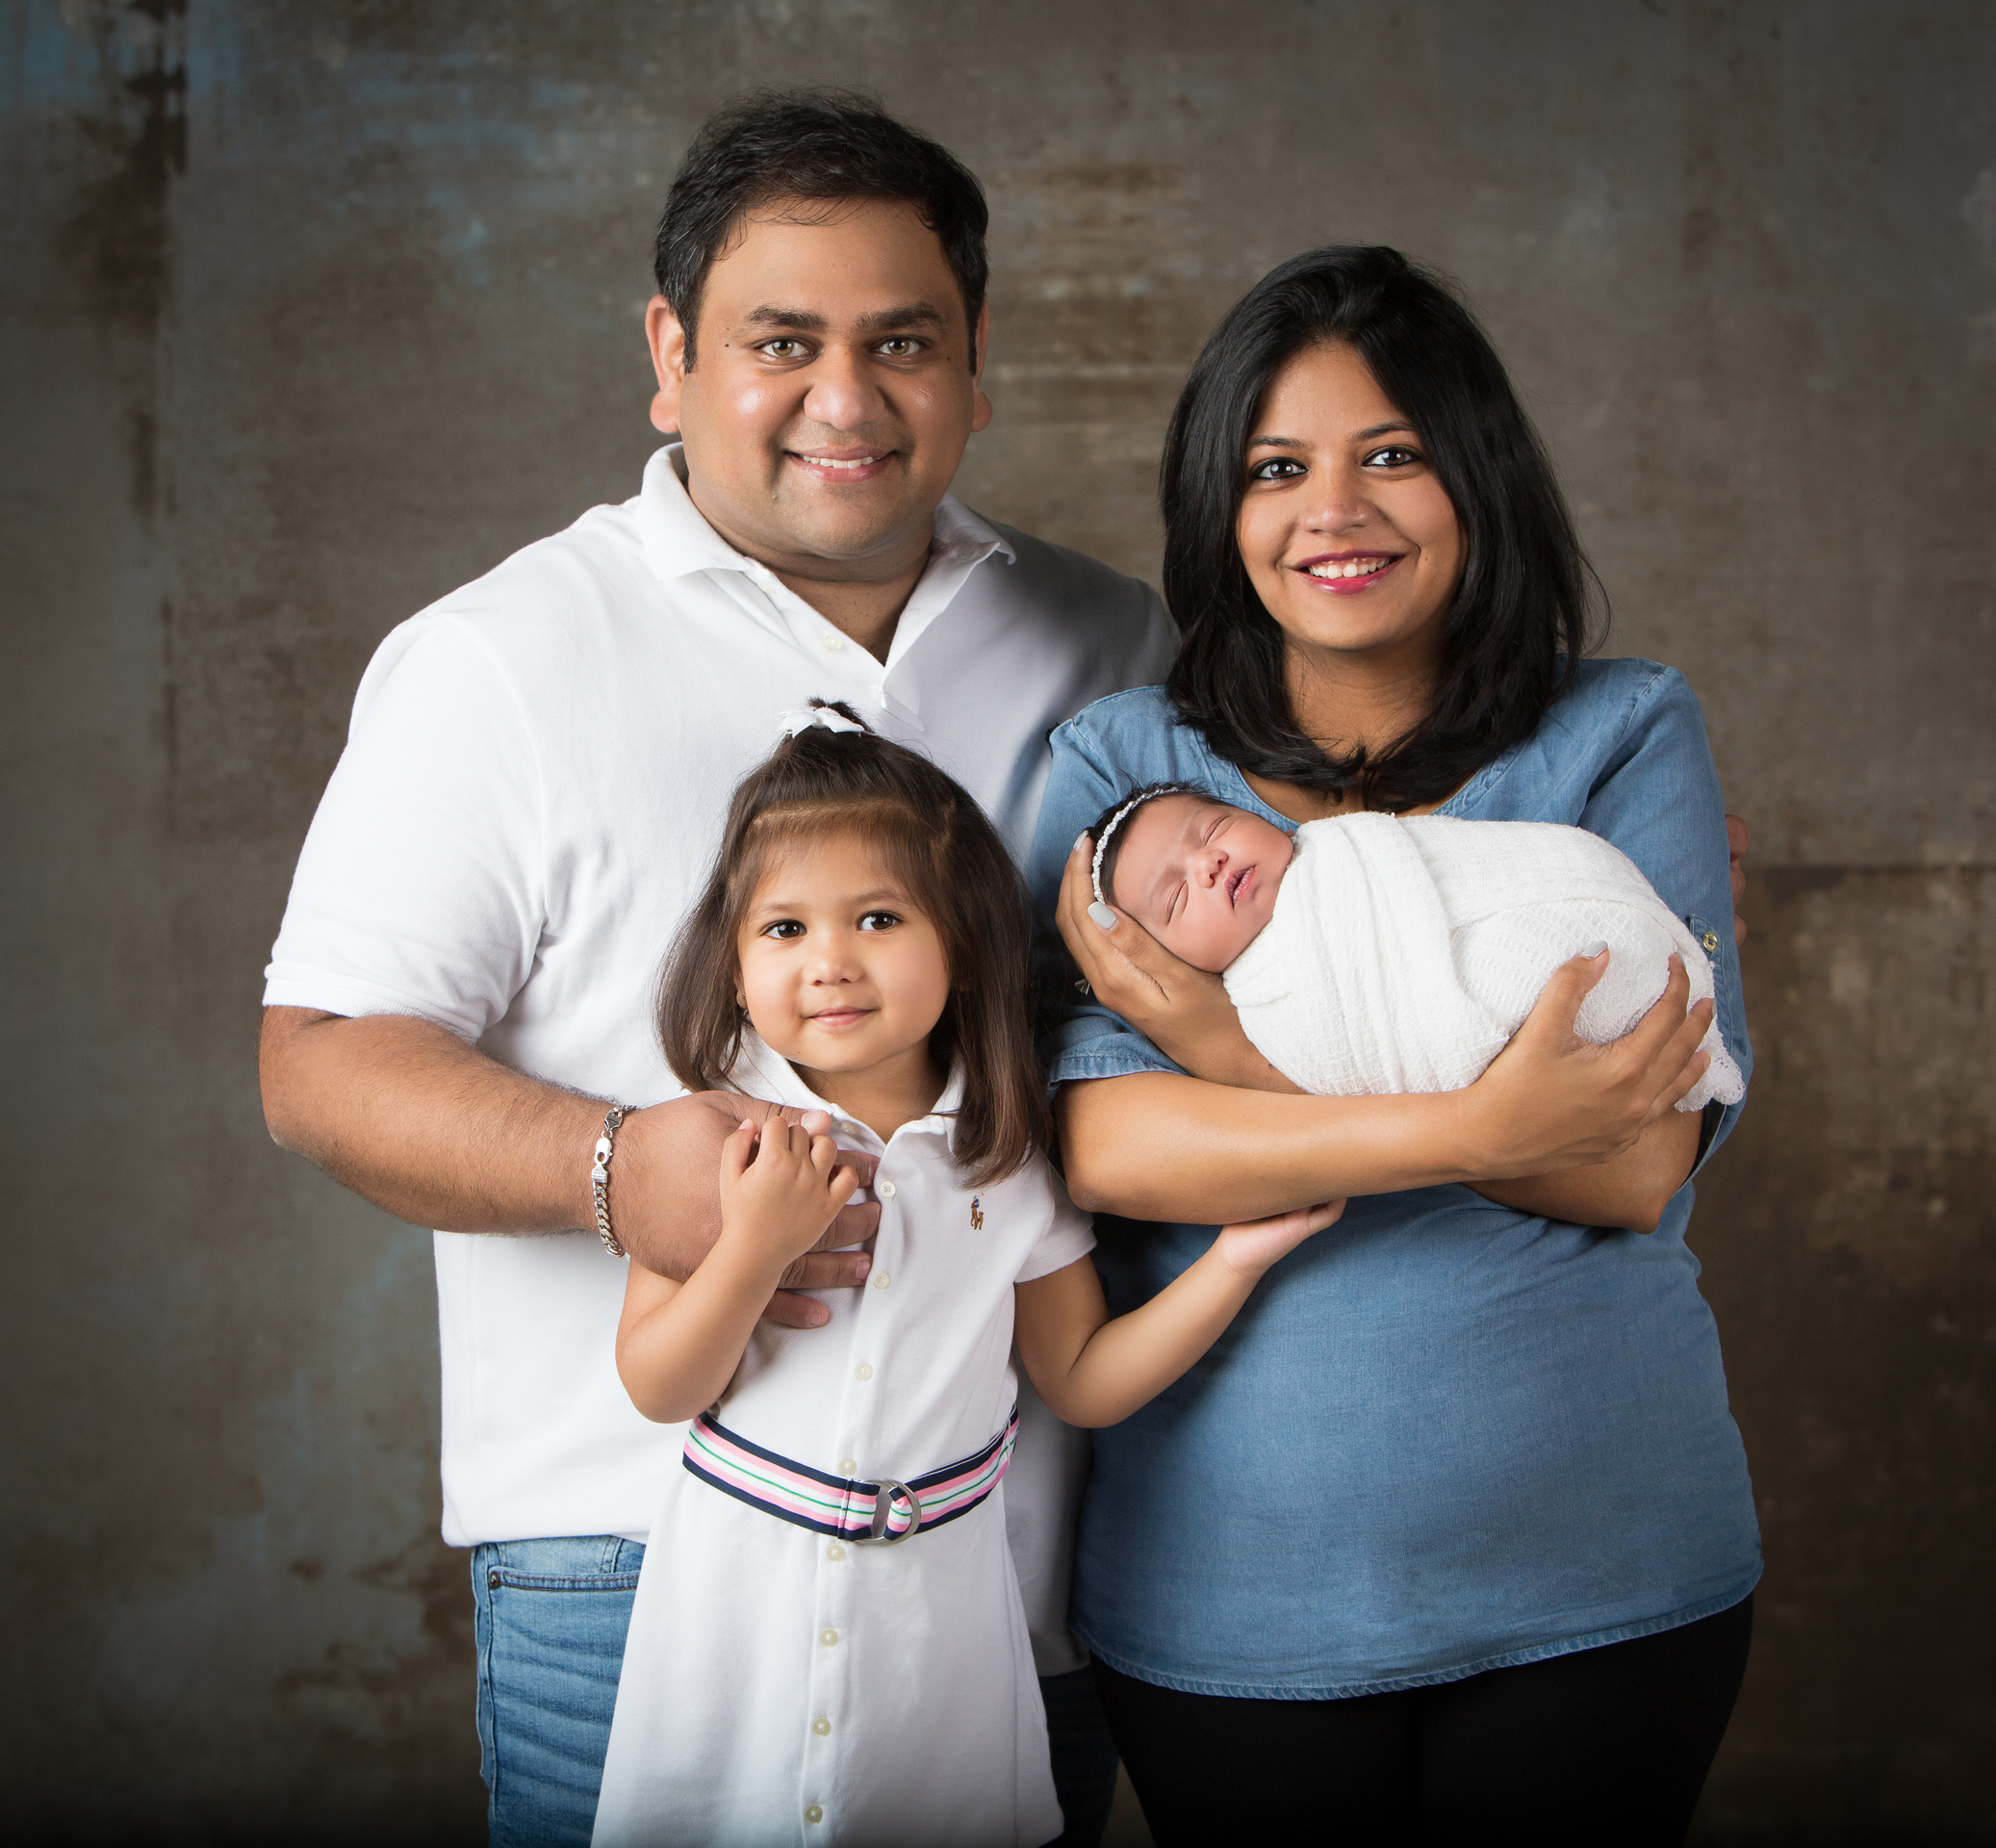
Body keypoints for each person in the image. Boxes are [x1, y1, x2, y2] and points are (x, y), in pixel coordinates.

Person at [258, 90, 1172, 1846]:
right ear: (669, 357)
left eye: (902, 341)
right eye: (782, 342)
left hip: (1010, 1574)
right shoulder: (498, 658)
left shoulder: (1109, 638)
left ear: (977, 365)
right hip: (634, 1558)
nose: (847, 397)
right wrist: (619, 1171)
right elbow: (319, 1059)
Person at [1030, 245, 1761, 1842]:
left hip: (1607, 1569)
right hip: (1230, 1594)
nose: (1332, 511)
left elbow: (1637, 1161)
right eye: (1277, 468)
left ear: (1478, 476)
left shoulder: (1618, 734)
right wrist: (1493, 1128)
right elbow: (1101, 1148)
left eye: (1392, 456)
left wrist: (1216, 1044)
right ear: (1221, 511)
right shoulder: (1125, 773)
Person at [586, 706, 1341, 1847]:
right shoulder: (713, 1143)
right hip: (737, 1615)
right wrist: (752, 1244)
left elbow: (1080, 1378)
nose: (829, 961)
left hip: (939, 1624)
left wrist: (1234, 1260)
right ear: (736, 969)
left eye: (878, 918)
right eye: (783, 928)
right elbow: (656, 1381)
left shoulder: (1015, 1157)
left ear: (967, 944)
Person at [1086, 783, 1743, 1115]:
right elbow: (1346, 1069)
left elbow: (1485, 863)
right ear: (1169, 960)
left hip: (1549, 920)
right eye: (1175, 898)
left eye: (1215, 828)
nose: (1208, 864)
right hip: (1471, 1018)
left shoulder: (1350, 847)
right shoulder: (1262, 1001)